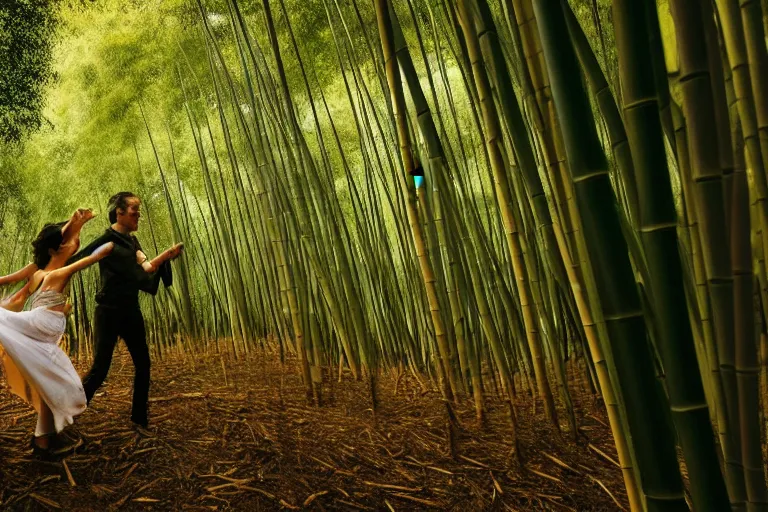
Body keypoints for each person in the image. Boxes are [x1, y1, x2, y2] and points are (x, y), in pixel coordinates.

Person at [0, 208, 113, 457]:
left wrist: (77, 224)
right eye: (65, 242)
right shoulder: (52, 272)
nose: (73, 244)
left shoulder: (39, 270)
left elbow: (69, 243)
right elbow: (89, 258)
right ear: (53, 249)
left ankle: (43, 443)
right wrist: (101, 248)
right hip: (41, 324)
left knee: (50, 387)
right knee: (2, 320)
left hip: (46, 332)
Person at [70, 192, 183, 429]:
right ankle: (65, 417)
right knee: (100, 370)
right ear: (119, 212)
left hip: (130, 310)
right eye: (134, 210)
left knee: (143, 364)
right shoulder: (106, 240)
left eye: (138, 211)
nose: (138, 215)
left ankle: (139, 419)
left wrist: (165, 258)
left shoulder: (133, 242)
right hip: (108, 311)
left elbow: (147, 268)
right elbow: (76, 260)